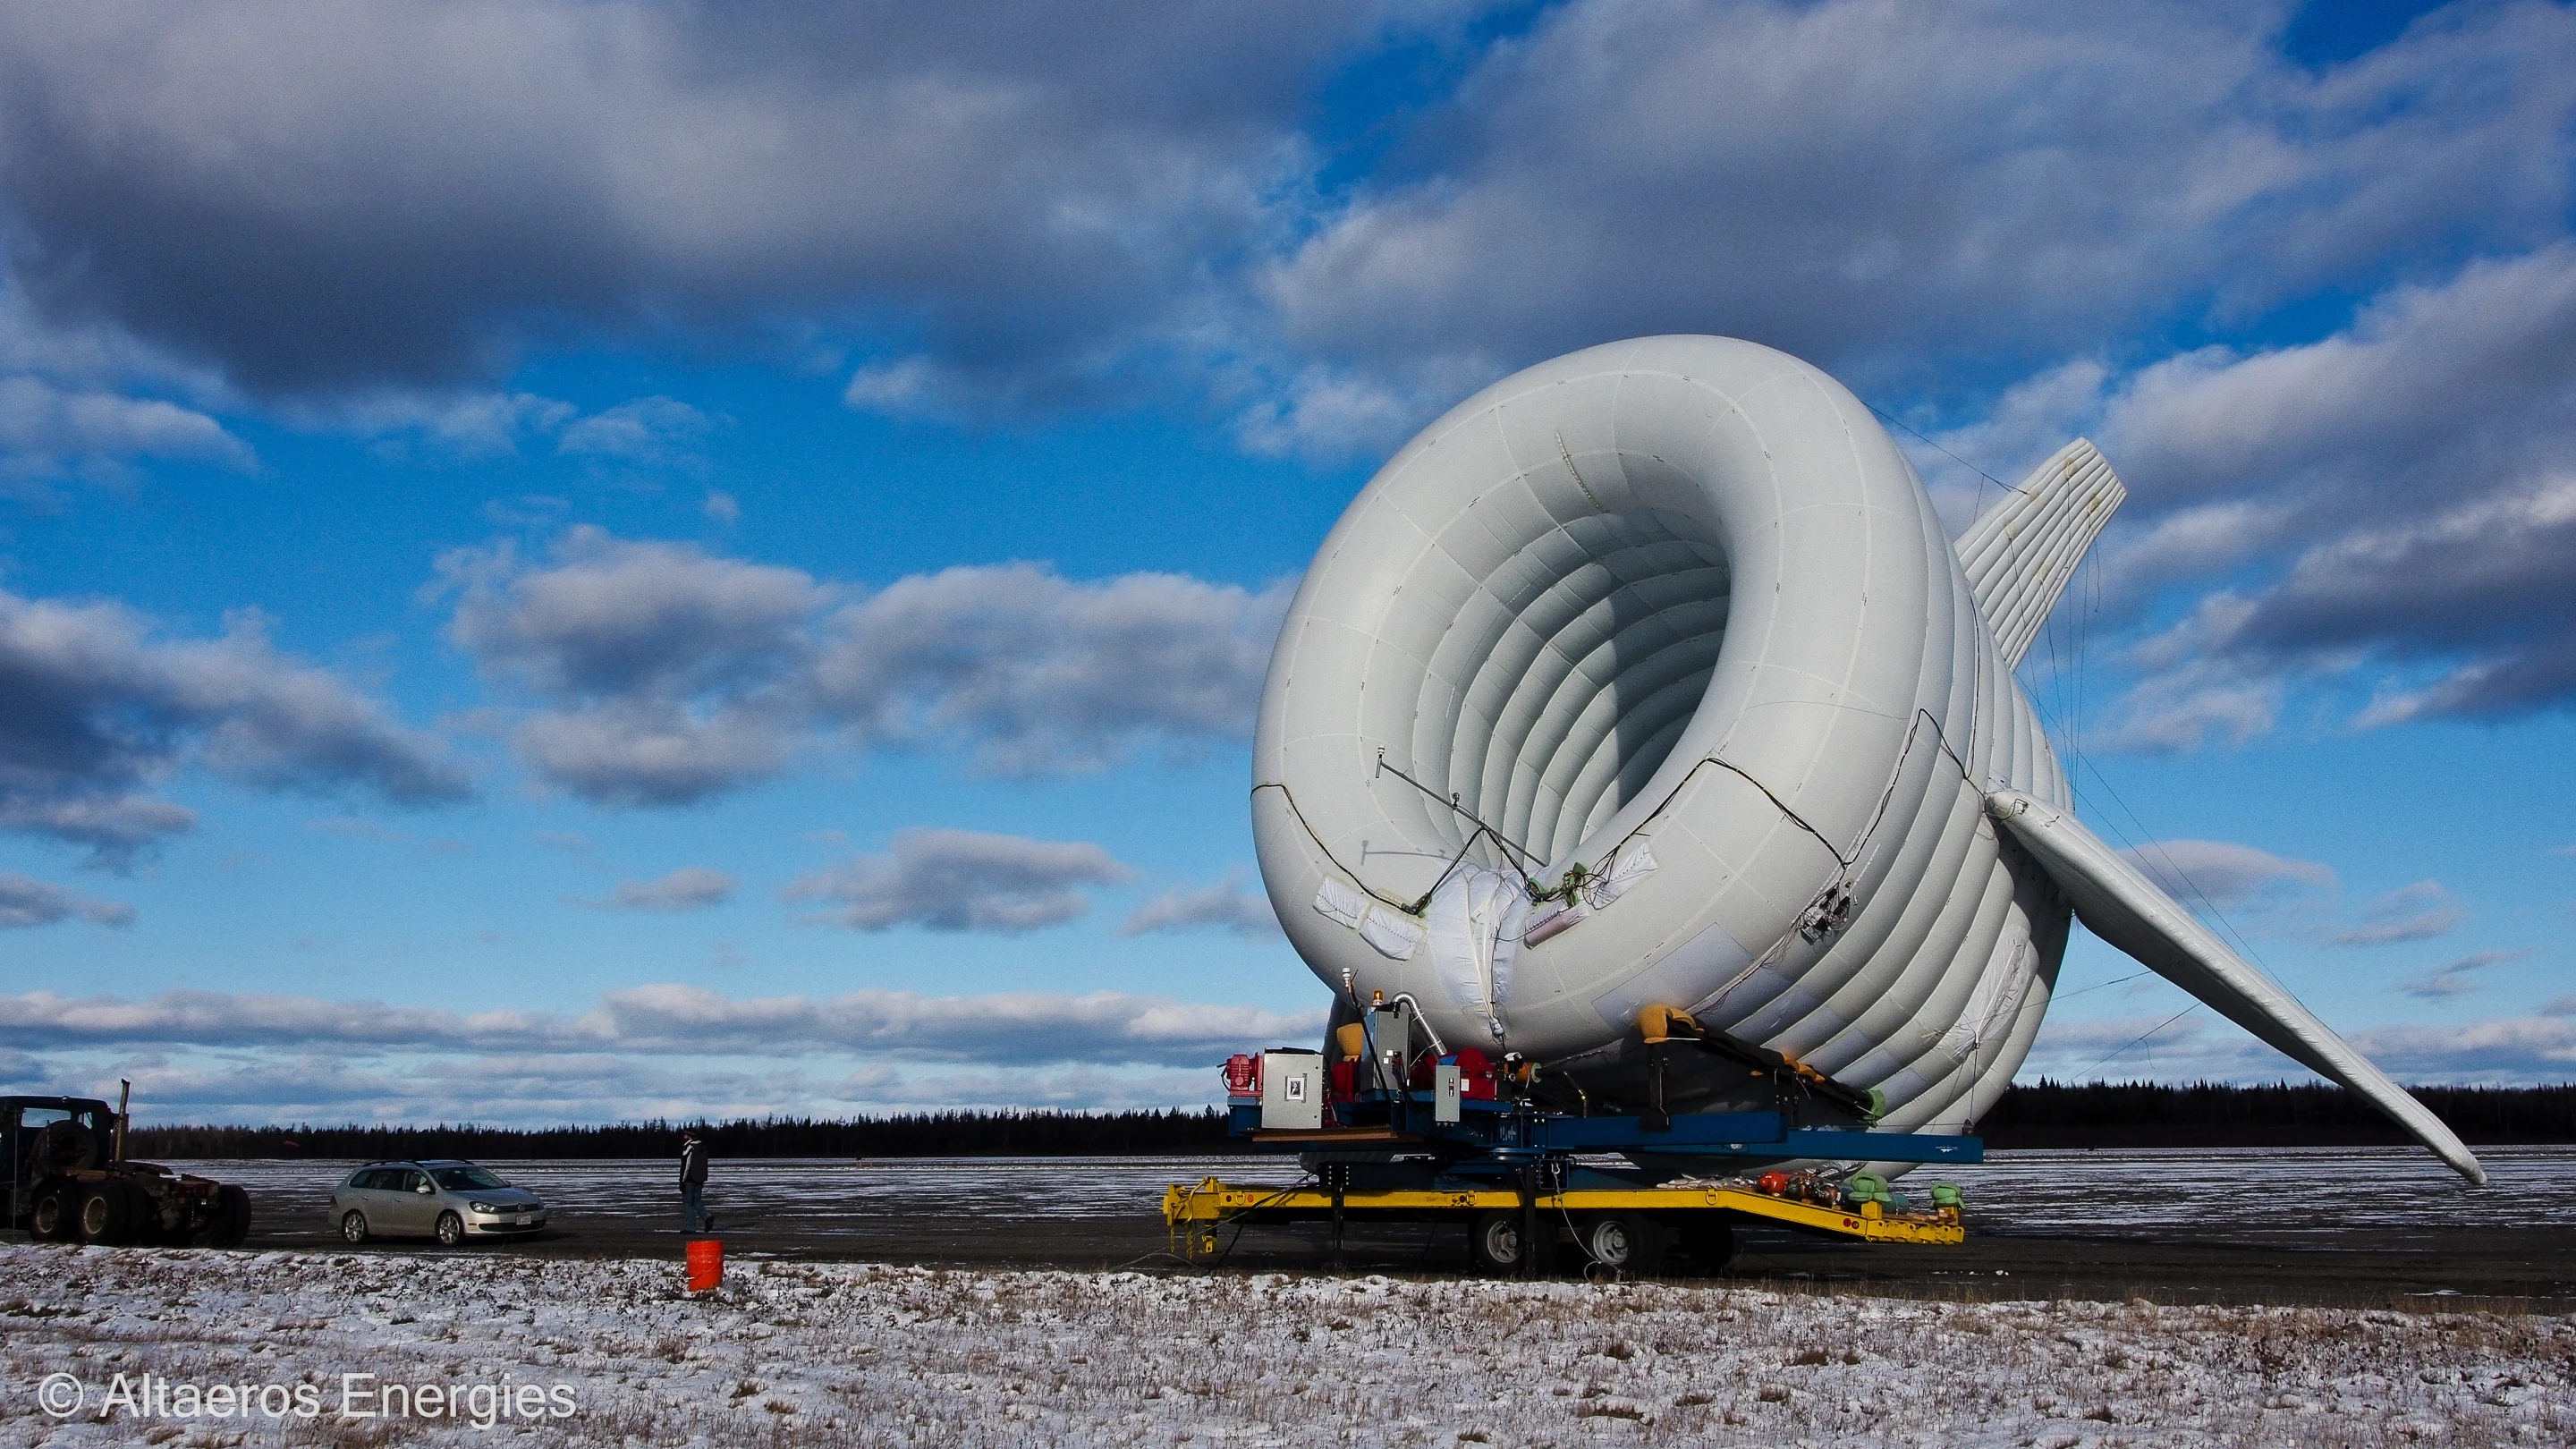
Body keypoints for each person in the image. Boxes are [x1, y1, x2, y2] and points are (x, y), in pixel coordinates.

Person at [680, 1130, 711, 1233]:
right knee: (697, 1201)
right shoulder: (703, 1147)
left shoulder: (689, 1147)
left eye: (685, 1135)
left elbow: (687, 1165)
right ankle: (707, 1217)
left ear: (689, 1136)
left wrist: (682, 1180)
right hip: (700, 1178)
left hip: (689, 1179)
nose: (683, 1136)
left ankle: (690, 1227)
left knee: (688, 1203)